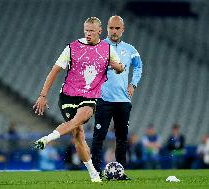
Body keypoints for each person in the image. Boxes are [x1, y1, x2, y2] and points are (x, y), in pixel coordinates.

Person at [33, 17, 124, 182]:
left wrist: (118, 67)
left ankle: (48, 138)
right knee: (78, 134)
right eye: (86, 30)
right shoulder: (72, 48)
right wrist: (43, 95)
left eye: (91, 31)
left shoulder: (107, 49)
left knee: (79, 119)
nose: (88, 34)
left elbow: (119, 68)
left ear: (99, 31)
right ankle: (93, 173)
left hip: (90, 97)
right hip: (68, 95)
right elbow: (54, 71)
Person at [91, 15, 143, 180]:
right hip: (103, 99)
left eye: (117, 28)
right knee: (99, 136)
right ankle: (95, 173)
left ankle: (121, 172)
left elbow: (139, 67)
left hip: (122, 100)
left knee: (122, 138)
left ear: (123, 29)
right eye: (111, 28)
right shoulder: (99, 46)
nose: (114, 31)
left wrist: (133, 84)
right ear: (107, 28)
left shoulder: (130, 49)